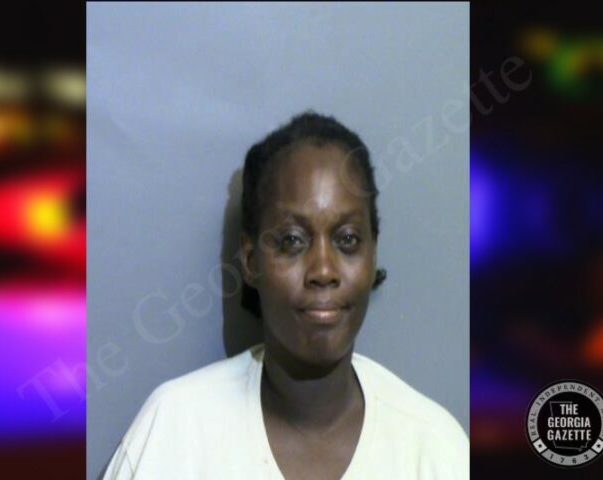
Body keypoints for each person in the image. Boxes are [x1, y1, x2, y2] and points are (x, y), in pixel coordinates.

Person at [103, 112, 468, 479]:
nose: (323, 270)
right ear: (251, 261)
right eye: (292, 240)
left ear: (373, 254)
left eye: (347, 239)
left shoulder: (434, 449)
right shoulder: (173, 432)